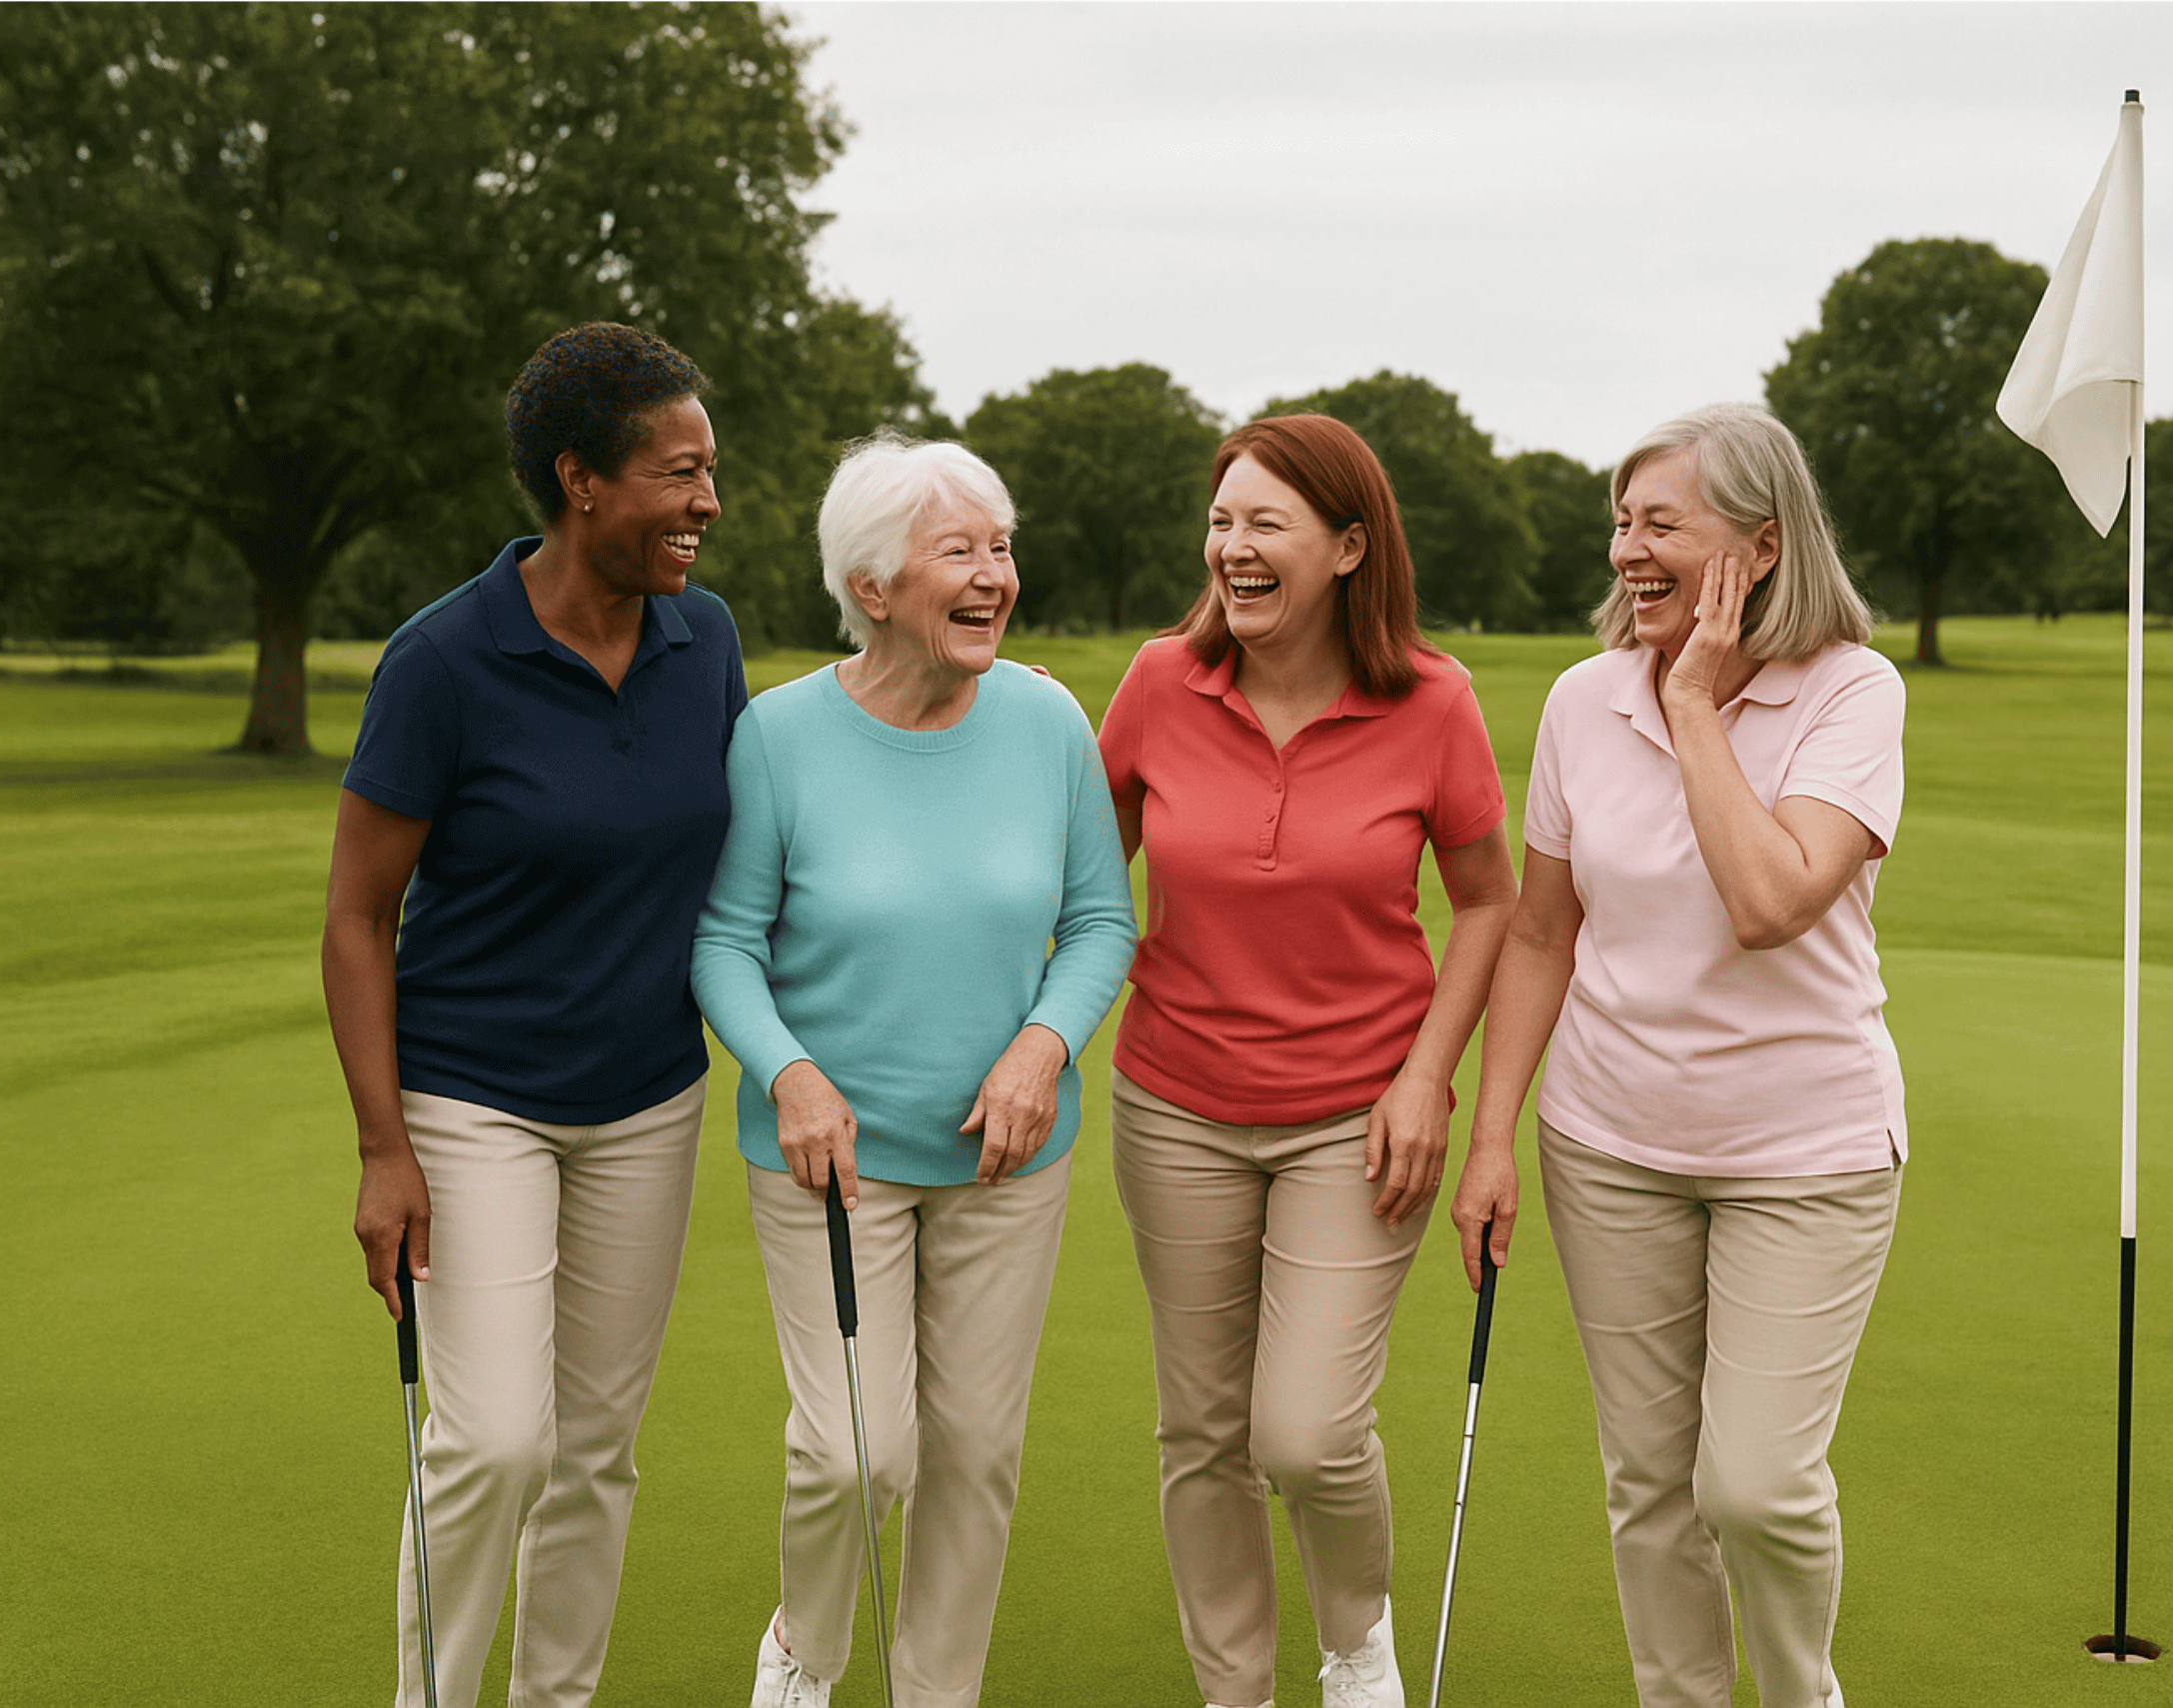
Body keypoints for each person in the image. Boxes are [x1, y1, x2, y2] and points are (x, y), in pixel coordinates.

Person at [1449, 403, 1906, 1708]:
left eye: (1661, 525)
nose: (1625, 552)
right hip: (1611, 1146)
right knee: (1650, 1483)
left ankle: (1802, 1694)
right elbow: (1540, 931)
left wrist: (1698, 698)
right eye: (1621, 523)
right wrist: (1494, 1137)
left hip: (1805, 1152)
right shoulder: (1585, 699)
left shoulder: (1853, 690)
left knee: (1752, 1484)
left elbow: (1771, 901)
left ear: (1758, 548)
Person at [324, 322, 747, 1708]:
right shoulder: (443, 663)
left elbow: (749, 865)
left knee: (597, 1448)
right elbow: (355, 917)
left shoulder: (707, 640)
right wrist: (385, 1149)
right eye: (677, 473)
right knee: (497, 1439)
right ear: (580, 479)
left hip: (646, 1098)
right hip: (472, 1098)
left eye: (710, 471)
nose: (707, 501)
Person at [691, 431, 1136, 1708]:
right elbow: (723, 939)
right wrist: (788, 1070)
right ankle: (805, 1656)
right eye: (960, 551)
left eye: (1001, 546)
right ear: (874, 586)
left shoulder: (1049, 717)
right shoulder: (778, 734)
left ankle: (936, 1689)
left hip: (1008, 1157)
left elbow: (1101, 918)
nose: (994, 572)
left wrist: (1041, 1047)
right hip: (827, 1155)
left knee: (977, 1452)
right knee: (855, 1454)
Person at [1097, 415, 1517, 1708]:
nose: (1233, 547)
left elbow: (1492, 903)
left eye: (1264, 523)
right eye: (1221, 521)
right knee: (1201, 1430)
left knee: (1306, 1431)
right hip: (1173, 1107)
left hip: (1358, 1117)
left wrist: (1425, 1076)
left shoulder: (1433, 700)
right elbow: (1081, 882)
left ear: (1347, 546)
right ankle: (1236, 1690)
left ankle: (1354, 1648)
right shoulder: (1160, 682)